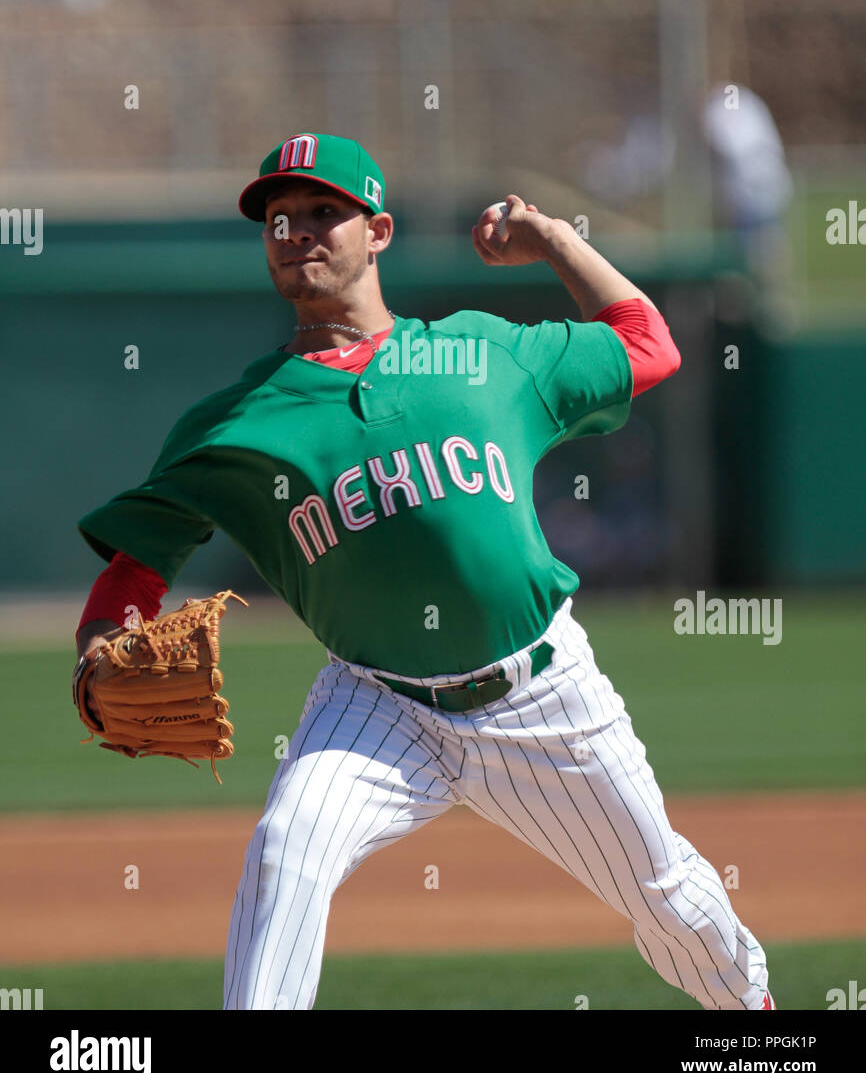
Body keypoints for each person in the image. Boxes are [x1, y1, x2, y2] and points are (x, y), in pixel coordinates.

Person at [74, 131, 775, 1012]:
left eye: (325, 211)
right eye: (280, 218)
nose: (298, 231)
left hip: (544, 697)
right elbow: (135, 573)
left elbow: (648, 343)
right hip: (376, 704)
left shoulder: (485, 352)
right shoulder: (231, 427)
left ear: (380, 232)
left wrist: (555, 239)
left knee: (665, 894)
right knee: (288, 846)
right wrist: (98, 646)